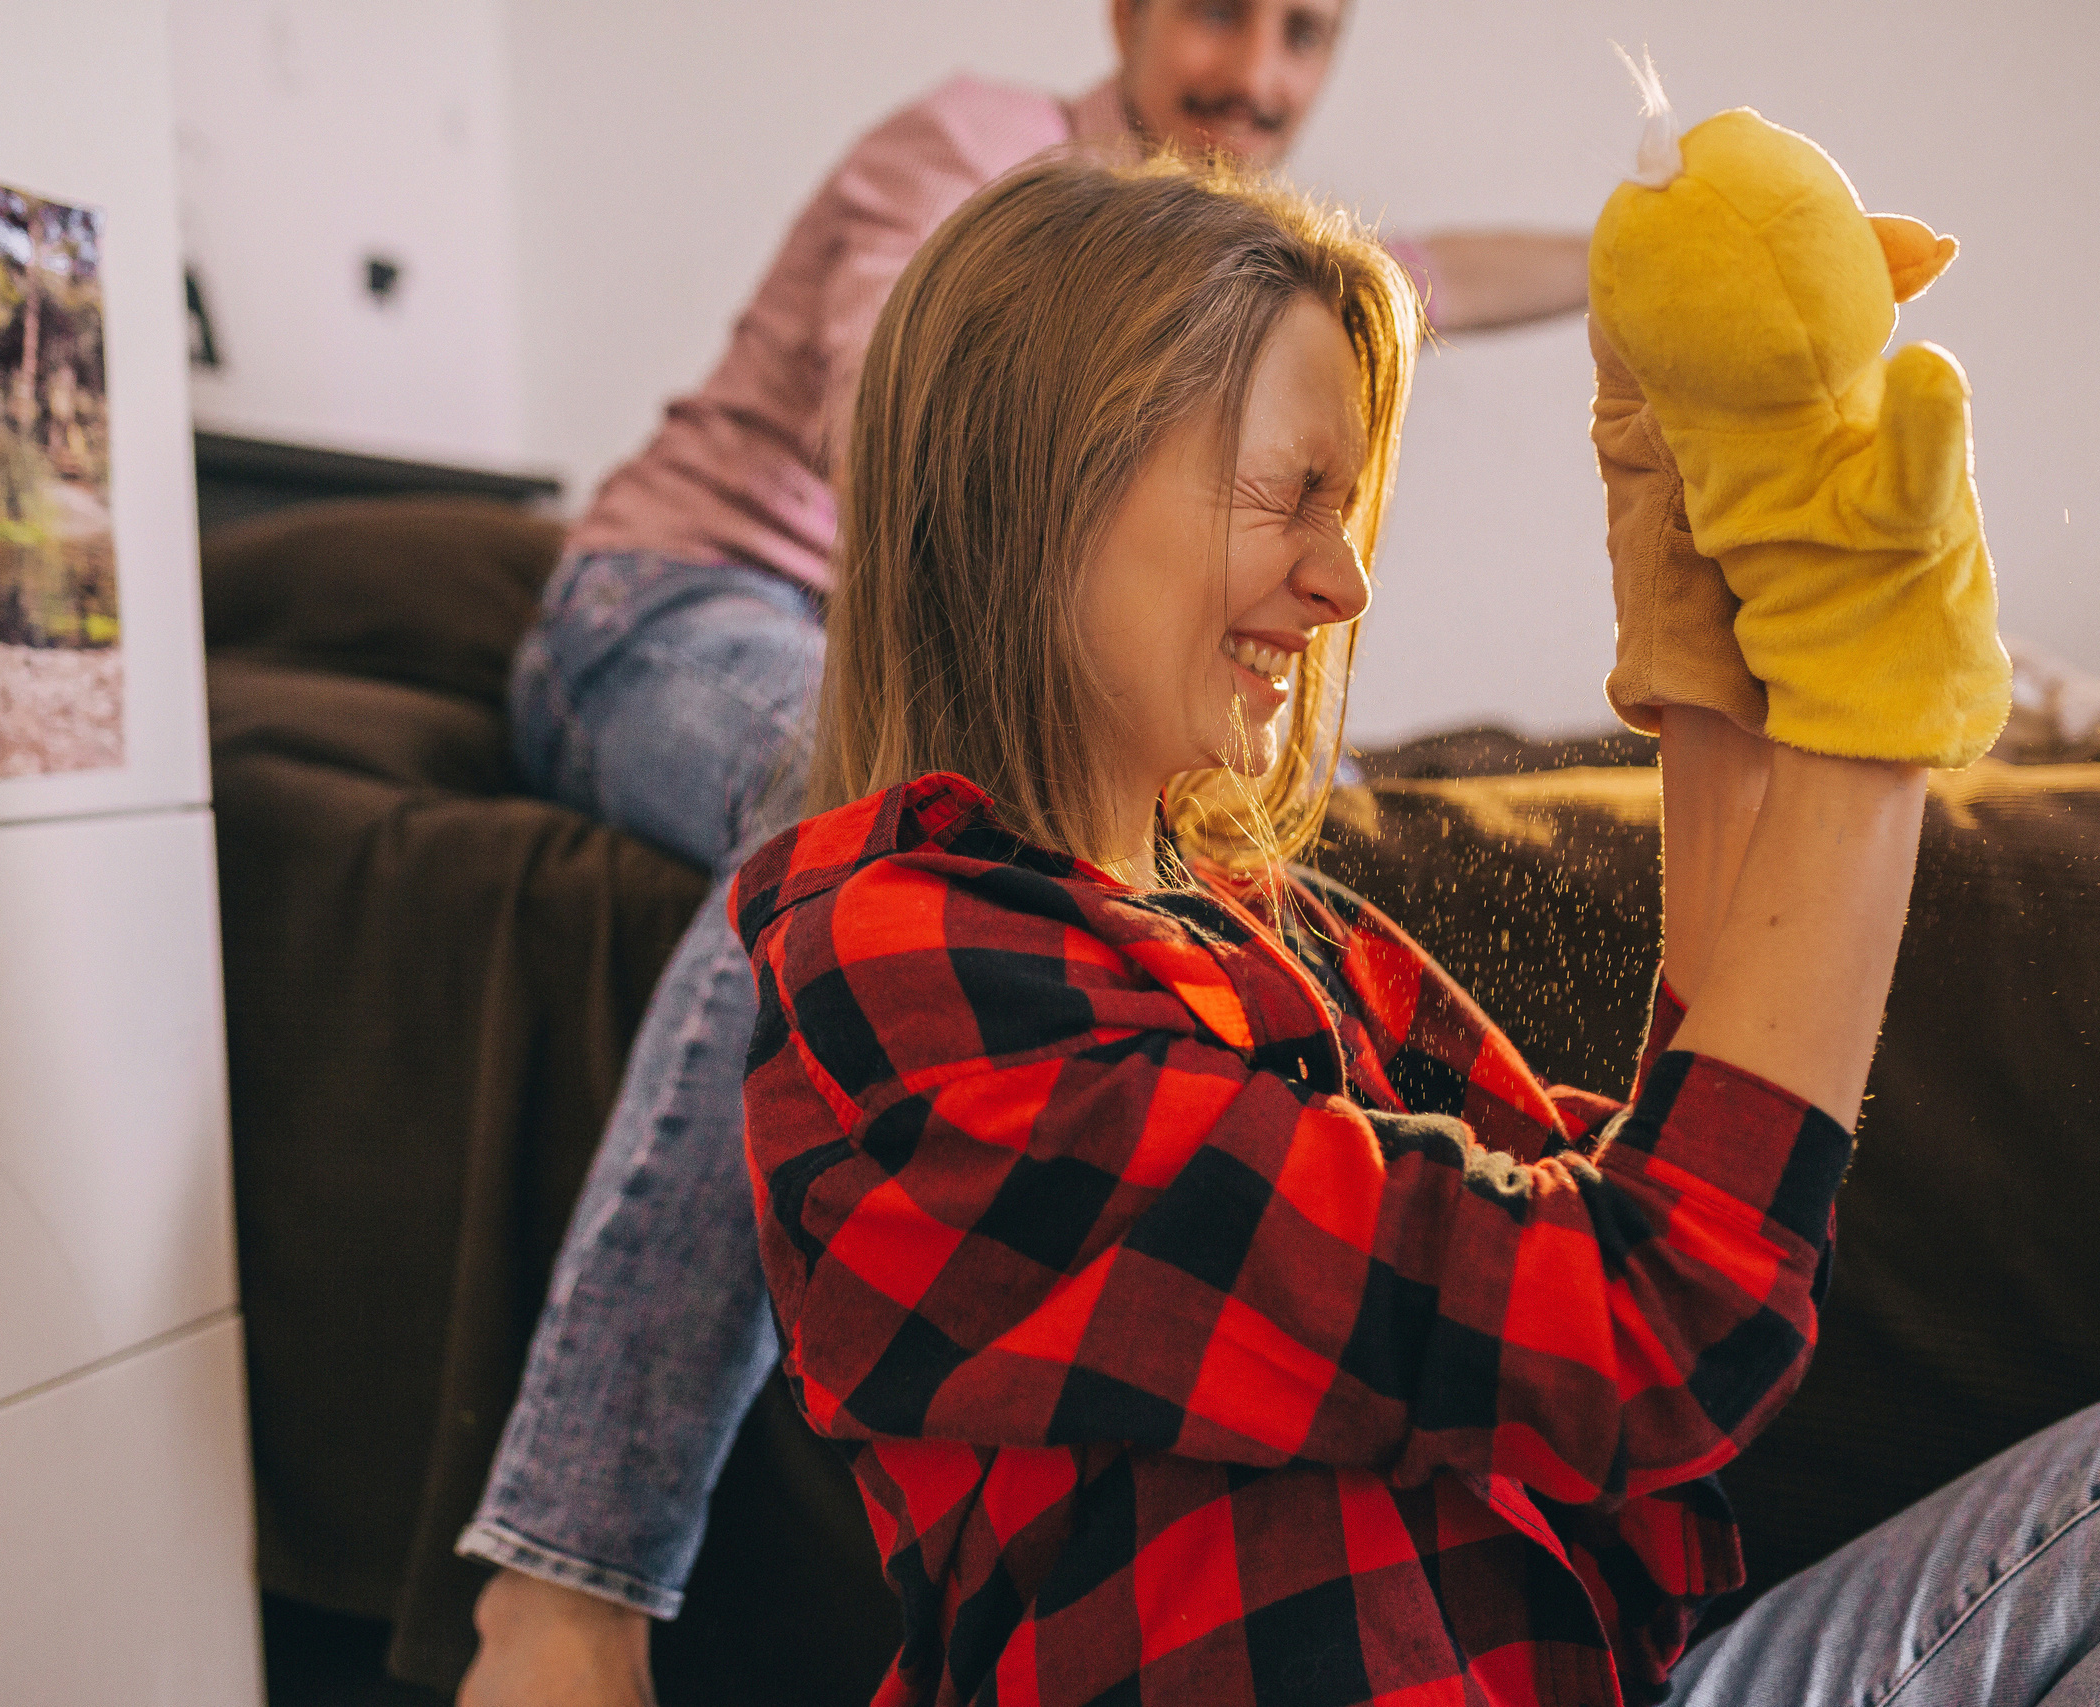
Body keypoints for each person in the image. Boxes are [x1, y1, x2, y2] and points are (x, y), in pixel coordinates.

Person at [734, 151, 2100, 1707]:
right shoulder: (905, 975)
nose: (1344, 579)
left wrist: (1700, 610)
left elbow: (1651, 1242)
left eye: (1345, 506)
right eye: (1289, 493)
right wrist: (1870, 711)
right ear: (1042, 484)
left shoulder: (1286, 931)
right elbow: (1659, 1320)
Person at [461, 5, 1593, 1700]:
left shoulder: (1222, 258)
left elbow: (1433, 267)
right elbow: (922, 452)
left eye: (1306, 34)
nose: (1259, 77)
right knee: (835, 801)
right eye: (1219, 14)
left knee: (1293, 805)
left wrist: (1646, 255)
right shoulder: (985, 149)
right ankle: (564, 1582)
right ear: (1127, 14)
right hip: (689, 598)